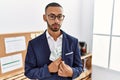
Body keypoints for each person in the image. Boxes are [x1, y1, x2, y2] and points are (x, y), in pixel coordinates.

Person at [24, 2, 83, 80]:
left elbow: (79, 68)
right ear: (45, 18)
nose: (56, 21)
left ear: (63, 17)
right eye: (52, 16)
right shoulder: (34, 44)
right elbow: (29, 72)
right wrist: (48, 69)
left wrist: (72, 72)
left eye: (59, 16)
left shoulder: (73, 42)